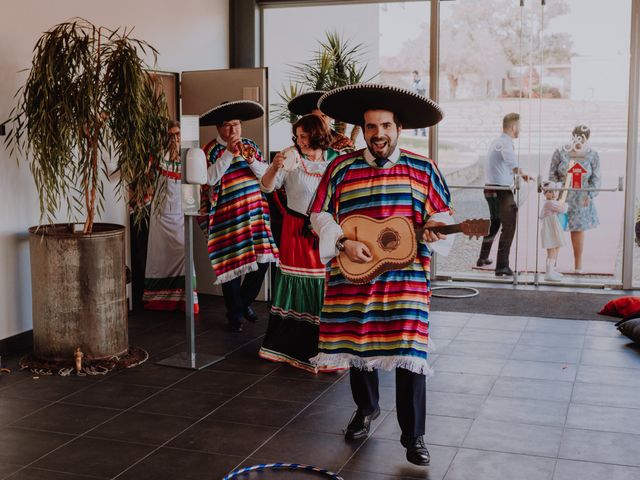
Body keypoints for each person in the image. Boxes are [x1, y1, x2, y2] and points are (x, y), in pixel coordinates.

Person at [309, 84, 454, 466]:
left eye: (385, 126)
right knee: (359, 349)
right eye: (371, 127)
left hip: (405, 279)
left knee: (409, 353)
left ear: (399, 128)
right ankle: (366, 408)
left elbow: (442, 213)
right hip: (353, 274)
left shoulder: (424, 169)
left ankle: (414, 435)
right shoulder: (340, 167)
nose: (378, 134)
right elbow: (319, 213)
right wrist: (342, 242)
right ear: (363, 130)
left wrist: (438, 224)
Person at [256, 114, 346, 372]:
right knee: (299, 283)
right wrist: (274, 167)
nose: (299, 140)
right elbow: (267, 187)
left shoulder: (336, 161)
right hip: (296, 230)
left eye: (304, 135)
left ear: (318, 134)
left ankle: (328, 347)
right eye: (297, 136)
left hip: (327, 231)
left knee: (326, 284)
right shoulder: (290, 158)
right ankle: (291, 347)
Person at [199, 101, 279, 332]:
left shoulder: (251, 145)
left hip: (255, 213)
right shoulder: (210, 150)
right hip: (228, 215)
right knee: (232, 264)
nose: (233, 131)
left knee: (264, 260)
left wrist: (252, 159)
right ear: (218, 128)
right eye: (227, 126)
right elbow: (209, 179)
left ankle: (243, 303)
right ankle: (235, 313)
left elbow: (266, 176)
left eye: (237, 125)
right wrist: (227, 154)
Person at [142, 120, 199, 313]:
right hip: (161, 216)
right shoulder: (159, 157)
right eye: (171, 135)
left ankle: (186, 301)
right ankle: (159, 301)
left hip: (181, 216)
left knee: (185, 254)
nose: (174, 139)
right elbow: (148, 180)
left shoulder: (189, 156)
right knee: (159, 259)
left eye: (177, 134)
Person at [477, 112, 530, 277]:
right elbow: (512, 163)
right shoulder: (505, 144)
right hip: (501, 190)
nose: (520, 129)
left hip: (490, 188)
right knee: (509, 227)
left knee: (495, 223)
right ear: (514, 127)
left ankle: (483, 258)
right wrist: (524, 174)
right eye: (519, 126)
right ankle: (502, 266)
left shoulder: (497, 141)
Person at [548, 125, 601, 273]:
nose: (578, 140)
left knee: (577, 230)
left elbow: (596, 180)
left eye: (582, 138)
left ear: (587, 139)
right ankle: (552, 265)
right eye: (576, 136)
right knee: (556, 229)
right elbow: (552, 176)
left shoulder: (592, 155)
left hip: (580, 199)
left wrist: (589, 195)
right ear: (572, 136)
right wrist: (554, 192)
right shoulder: (560, 152)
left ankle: (578, 265)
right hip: (562, 197)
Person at [287, 90, 355, 151]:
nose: (319, 120)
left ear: (331, 117)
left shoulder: (343, 142)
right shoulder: (302, 142)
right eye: (315, 117)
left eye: (323, 116)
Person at [540, 181, 567, 281]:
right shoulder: (549, 203)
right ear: (545, 193)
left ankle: (552, 270)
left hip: (554, 227)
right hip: (550, 228)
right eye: (550, 192)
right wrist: (563, 204)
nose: (554, 194)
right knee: (551, 249)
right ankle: (548, 273)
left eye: (555, 191)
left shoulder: (552, 202)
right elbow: (562, 209)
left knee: (556, 247)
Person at [410, 70, 427, 137]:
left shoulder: (421, 83)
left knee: (421, 119)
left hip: (421, 104)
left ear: (417, 75)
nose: (413, 77)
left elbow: (423, 92)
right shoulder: (412, 84)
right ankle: (415, 133)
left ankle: (423, 133)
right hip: (414, 105)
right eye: (412, 76)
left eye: (414, 76)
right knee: (414, 119)